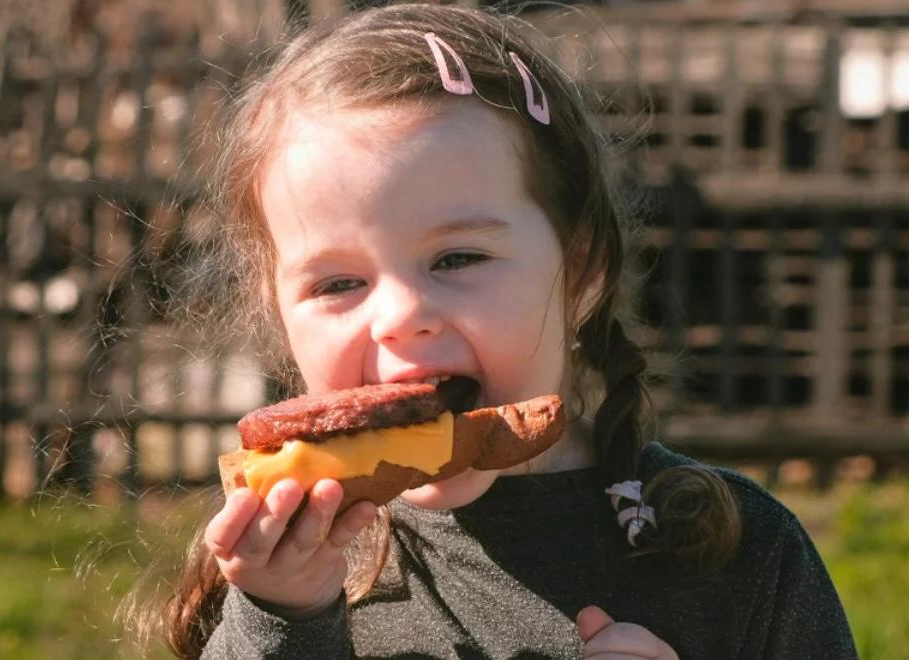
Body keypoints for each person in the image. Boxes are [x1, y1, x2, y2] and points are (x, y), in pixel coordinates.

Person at [147, 4, 857, 658]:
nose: (398, 316)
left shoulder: (736, 554)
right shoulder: (277, 565)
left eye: (458, 258)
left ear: (581, 273)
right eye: (338, 284)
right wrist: (284, 617)